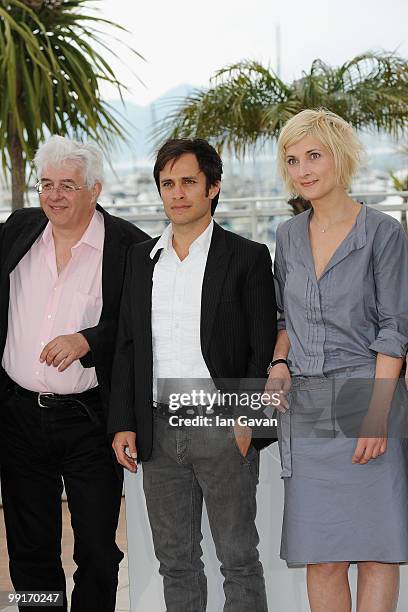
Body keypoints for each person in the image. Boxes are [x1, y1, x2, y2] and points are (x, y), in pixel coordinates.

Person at [109, 138, 277, 612]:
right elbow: (128, 348)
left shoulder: (247, 257)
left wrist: (249, 425)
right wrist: (124, 422)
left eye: (188, 181)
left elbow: (261, 348)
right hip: (158, 431)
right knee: (175, 562)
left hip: (224, 425)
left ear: (213, 188)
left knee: (239, 560)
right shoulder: (140, 260)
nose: (177, 193)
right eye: (168, 183)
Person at [266, 108, 408, 612]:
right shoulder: (285, 236)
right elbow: (284, 318)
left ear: (340, 158)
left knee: (376, 554)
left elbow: (395, 330)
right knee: (322, 557)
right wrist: (278, 366)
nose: (303, 169)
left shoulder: (383, 232)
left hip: (369, 399)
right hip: (307, 409)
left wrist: (376, 412)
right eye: (292, 159)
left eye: (313, 155)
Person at [0, 136, 149, 611]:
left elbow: (137, 327)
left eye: (67, 185)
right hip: (18, 417)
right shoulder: (18, 230)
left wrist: (87, 340)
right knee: (29, 550)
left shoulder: (129, 245)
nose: (54, 195)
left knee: (98, 551)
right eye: (46, 184)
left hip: (90, 421)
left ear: (95, 189)